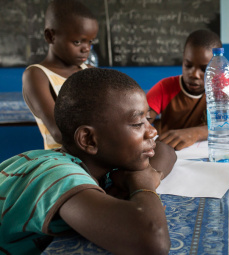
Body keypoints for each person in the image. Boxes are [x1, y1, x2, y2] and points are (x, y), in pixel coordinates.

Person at [1, 68, 177, 254]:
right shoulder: (59, 174)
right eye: (137, 124)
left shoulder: (99, 162)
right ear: (89, 140)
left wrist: (137, 172)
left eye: (148, 119)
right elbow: (152, 241)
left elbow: (166, 151)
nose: (152, 131)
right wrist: (143, 184)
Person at [147, 29, 229, 150]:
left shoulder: (222, 87)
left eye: (204, 69)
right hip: (171, 153)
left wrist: (194, 133)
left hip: (208, 154)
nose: (194, 74)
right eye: (188, 65)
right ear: (183, 59)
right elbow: (142, 119)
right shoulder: (165, 87)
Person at [22, 0, 99, 149]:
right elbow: (58, 132)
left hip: (97, 154)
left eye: (90, 42)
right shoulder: (37, 75)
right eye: (78, 42)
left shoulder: (90, 71)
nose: (86, 49)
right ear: (51, 36)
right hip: (62, 160)